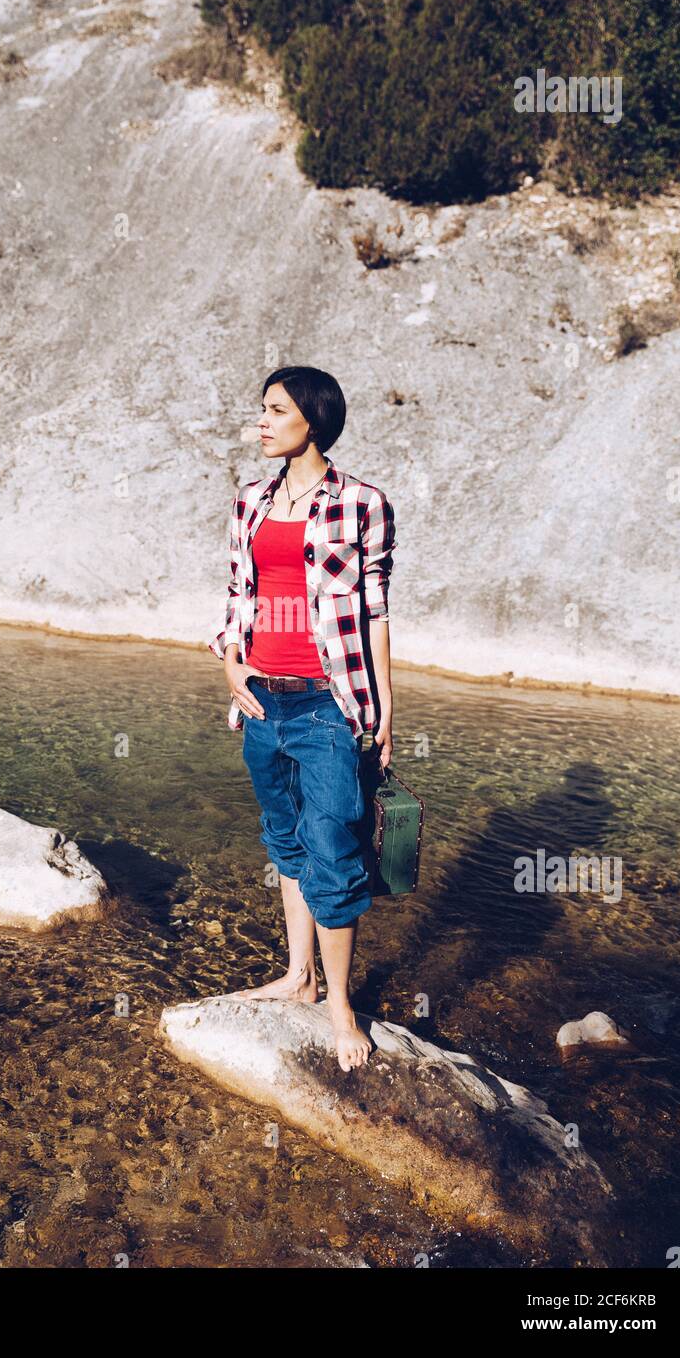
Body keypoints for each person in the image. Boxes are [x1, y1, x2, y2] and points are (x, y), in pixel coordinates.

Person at [208, 366, 397, 1071]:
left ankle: (340, 1007)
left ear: (311, 421)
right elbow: (237, 595)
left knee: (334, 851)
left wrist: (381, 718)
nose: (260, 422)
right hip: (261, 700)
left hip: (327, 704)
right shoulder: (249, 503)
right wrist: (230, 658)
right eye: (260, 410)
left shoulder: (362, 505)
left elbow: (374, 616)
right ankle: (299, 975)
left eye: (274, 411)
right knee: (285, 841)